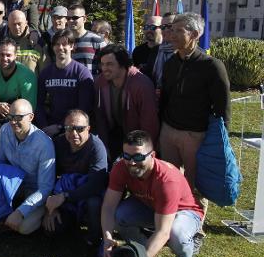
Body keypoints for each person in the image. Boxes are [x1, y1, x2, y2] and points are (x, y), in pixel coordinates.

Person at [102, 130, 204, 257]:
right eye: (127, 156)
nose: (132, 162)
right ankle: (138, 250)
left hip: (184, 211)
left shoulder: (166, 180)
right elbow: (108, 207)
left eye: (138, 157)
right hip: (150, 205)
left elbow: (163, 231)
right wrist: (107, 239)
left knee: (176, 234)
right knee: (120, 215)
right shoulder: (121, 167)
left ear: (153, 155)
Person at [159, 12, 231, 218]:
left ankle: (195, 225)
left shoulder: (212, 67)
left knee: (195, 184)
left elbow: (223, 108)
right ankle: (170, 219)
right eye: (171, 30)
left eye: (178, 31)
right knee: (170, 180)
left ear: (195, 34)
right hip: (169, 131)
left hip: (196, 135)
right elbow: (165, 97)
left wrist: (220, 141)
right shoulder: (171, 63)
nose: (171, 35)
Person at [0, 99, 55, 235]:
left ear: (31, 117)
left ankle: (39, 212)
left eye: (19, 117)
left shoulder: (44, 144)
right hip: (14, 184)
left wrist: (21, 212)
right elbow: (0, 158)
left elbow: (45, 188)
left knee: (24, 228)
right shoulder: (5, 130)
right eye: (11, 117)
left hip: (34, 190)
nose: (13, 122)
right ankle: (1, 219)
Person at [43, 110, 108, 246]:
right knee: (52, 230)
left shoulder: (96, 147)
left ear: (88, 129)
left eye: (79, 129)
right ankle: (74, 224)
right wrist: (50, 207)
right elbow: (48, 176)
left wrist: (65, 197)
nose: (74, 133)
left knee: (93, 202)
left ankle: (94, 239)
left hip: (87, 194)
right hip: (67, 192)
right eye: (69, 128)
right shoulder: (58, 144)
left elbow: (95, 185)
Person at [94, 44, 159, 162]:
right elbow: (99, 117)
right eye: (102, 64)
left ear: (122, 64)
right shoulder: (100, 82)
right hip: (112, 136)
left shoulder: (142, 85)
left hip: (136, 141)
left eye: (109, 64)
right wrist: (103, 146)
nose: (104, 68)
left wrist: (143, 152)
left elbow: (149, 123)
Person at [36, 29, 94, 136]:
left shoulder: (82, 73)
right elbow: (39, 104)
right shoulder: (46, 73)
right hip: (48, 129)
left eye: (64, 44)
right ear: (53, 47)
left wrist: (61, 127)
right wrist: (44, 127)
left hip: (74, 130)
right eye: (57, 44)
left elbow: (84, 108)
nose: (60, 48)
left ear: (72, 46)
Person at [0, 38, 37, 119]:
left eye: (8, 55)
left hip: (21, 117)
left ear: (15, 55)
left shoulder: (27, 76)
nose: (5, 58)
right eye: (2, 54)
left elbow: (30, 108)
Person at [0, 10, 45, 75]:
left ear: (26, 23)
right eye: (13, 24)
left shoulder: (37, 42)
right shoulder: (0, 44)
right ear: (8, 24)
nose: (17, 27)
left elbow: (45, 72)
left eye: (19, 24)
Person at [67, 4, 106, 76]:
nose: (71, 20)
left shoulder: (97, 40)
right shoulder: (63, 41)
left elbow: (105, 69)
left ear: (84, 19)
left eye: (75, 17)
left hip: (90, 85)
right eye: (68, 18)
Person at [151, 12, 177, 89]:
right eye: (162, 27)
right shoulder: (156, 50)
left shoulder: (184, 51)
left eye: (169, 26)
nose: (165, 30)